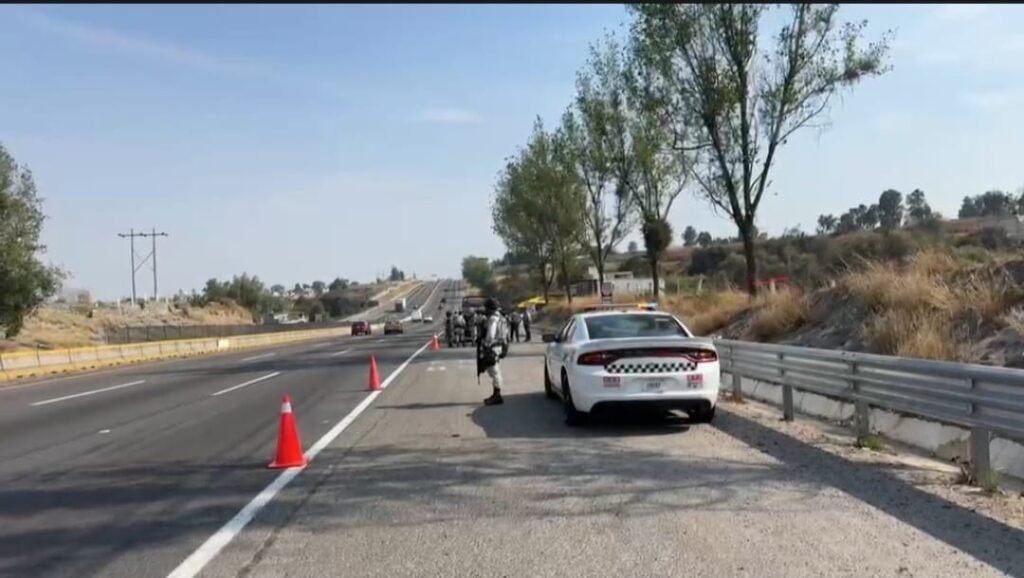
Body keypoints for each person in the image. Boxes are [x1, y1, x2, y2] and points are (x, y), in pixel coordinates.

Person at [477, 297, 509, 406]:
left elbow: (490, 334)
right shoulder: (502, 318)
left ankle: (497, 395)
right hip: (500, 346)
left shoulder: (492, 319)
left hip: (493, 347)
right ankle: (496, 393)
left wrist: (485, 344)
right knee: (495, 370)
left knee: (494, 371)